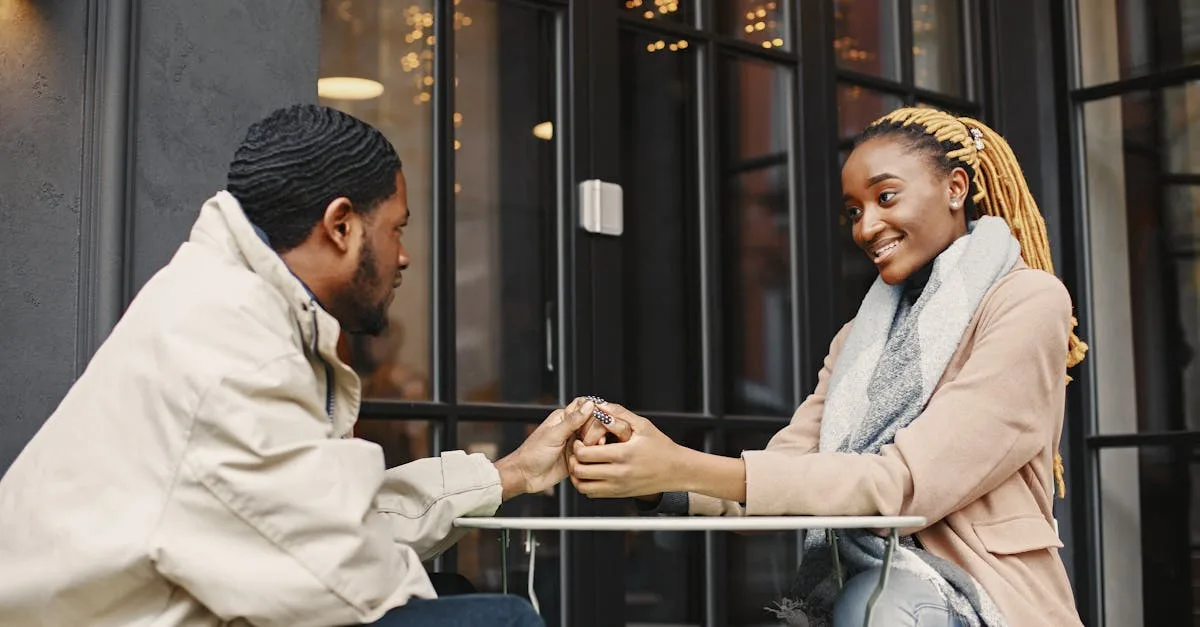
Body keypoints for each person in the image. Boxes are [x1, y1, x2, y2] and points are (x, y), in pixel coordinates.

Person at [0, 104, 584, 626]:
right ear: (340, 225)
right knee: (497, 620)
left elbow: (316, 521)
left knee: (454, 593)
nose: (404, 256)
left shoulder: (240, 307)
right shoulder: (235, 343)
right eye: (397, 229)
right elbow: (336, 578)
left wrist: (515, 473)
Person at [565, 108, 1088, 627]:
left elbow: (904, 485)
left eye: (885, 197)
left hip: (983, 595)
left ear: (955, 188)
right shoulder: (858, 339)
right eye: (854, 211)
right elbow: (777, 484)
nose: (867, 226)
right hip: (874, 589)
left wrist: (680, 464)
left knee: (875, 603)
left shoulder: (1027, 301)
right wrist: (650, 471)